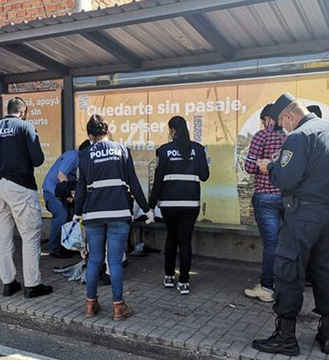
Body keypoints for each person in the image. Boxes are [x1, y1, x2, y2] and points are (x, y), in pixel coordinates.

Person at [252, 93, 329, 356]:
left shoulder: (298, 137)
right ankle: (328, 337)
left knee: (289, 273)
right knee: (326, 273)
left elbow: (287, 180)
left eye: (283, 125)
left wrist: (269, 166)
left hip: (302, 216)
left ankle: (285, 338)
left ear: (289, 117)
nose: (284, 130)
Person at [74, 114, 153, 321]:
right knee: (115, 262)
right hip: (119, 212)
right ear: (107, 131)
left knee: (94, 261)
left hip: (93, 215)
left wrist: (76, 213)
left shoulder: (84, 155)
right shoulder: (122, 150)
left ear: (90, 135)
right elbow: (134, 183)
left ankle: (91, 305)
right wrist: (147, 209)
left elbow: (80, 189)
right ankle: (118, 307)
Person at [0, 97, 53, 299]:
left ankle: (8, 283)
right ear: (23, 111)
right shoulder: (26, 127)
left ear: (7, 110)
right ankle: (32, 285)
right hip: (21, 187)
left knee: (4, 237)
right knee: (30, 235)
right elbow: (38, 160)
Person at [149, 115, 209, 295]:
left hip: (169, 204)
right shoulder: (198, 149)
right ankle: (184, 281)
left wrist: (151, 205)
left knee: (171, 238)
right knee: (185, 240)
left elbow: (158, 180)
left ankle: (168, 276)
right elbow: (205, 176)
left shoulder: (165, 150)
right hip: (191, 203)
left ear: (173, 131)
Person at [243, 104, 286, 302]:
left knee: (271, 244)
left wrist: (264, 162)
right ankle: (286, 285)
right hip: (287, 197)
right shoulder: (291, 137)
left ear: (268, 119)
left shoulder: (261, 136)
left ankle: (267, 287)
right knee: (285, 243)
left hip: (265, 196)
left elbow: (250, 167)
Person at [42, 141, 89, 259]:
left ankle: (66, 246)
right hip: (53, 191)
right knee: (61, 216)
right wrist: (69, 194)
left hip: (60, 192)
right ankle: (55, 249)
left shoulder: (80, 159)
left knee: (69, 216)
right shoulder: (73, 156)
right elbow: (61, 176)